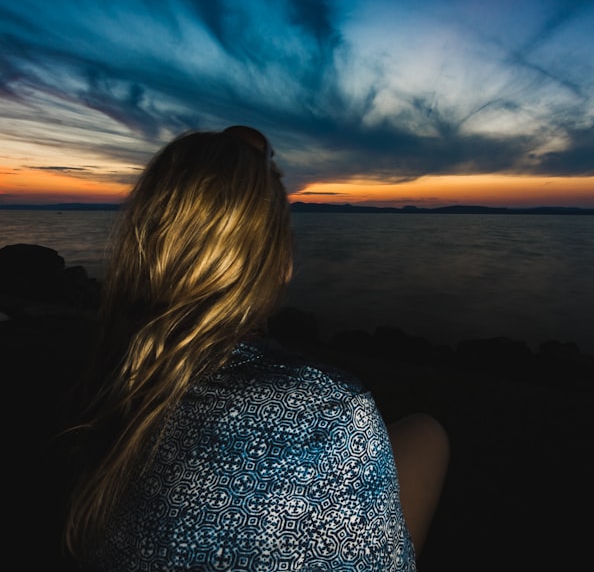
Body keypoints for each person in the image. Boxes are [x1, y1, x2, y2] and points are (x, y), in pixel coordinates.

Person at [63, 125, 449, 571]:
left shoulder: (117, 382)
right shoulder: (329, 418)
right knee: (428, 434)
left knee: (420, 435)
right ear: (280, 264)